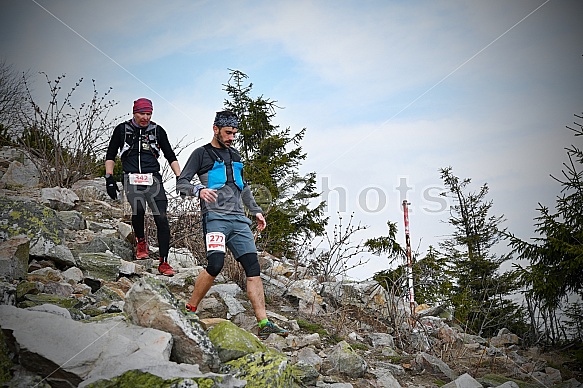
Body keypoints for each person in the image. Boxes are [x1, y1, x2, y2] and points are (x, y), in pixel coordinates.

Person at [177, 110, 289, 340]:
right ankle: (189, 310)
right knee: (216, 263)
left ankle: (264, 322)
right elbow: (182, 183)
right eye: (228, 133)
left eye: (234, 134)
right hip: (215, 218)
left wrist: (256, 211)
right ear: (215, 129)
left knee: (253, 268)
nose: (231, 138)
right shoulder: (201, 154)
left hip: (239, 220)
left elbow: (243, 187)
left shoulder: (235, 155)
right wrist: (199, 190)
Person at [105, 98, 181, 276]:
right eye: (142, 114)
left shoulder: (157, 131)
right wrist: (109, 177)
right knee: (138, 209)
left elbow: (170, 155)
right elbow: (111, 153)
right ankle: (141, 241)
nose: (145, 117)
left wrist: (180, 177)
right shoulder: (122, 130)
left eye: (149, 114)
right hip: (131, 177)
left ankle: (163, 262)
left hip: (153, 178)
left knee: (161, 217)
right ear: (134, 112)